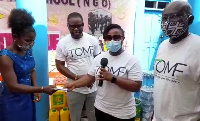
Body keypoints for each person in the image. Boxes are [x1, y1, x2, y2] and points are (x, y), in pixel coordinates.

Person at [64, 24, 142, 121]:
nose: (112, 40)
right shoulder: (99, 58)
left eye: (116, 37)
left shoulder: (132, 60)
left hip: (123, 113)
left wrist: (113, 78)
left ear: (123, 38)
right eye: (108, 38)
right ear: (105, 40)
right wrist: (74, 84)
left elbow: (136, 86)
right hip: (101, 109)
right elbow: (89, 77)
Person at [0, 9, 56, 121]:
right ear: (15, 37)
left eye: (33, 41)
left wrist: (35, 89)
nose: (31, 44)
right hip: (11, 101)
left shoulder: (27, 50)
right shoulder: (5, 57)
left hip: (27, 97)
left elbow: (32, 70)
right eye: (27, 41)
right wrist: (41, 89)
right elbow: (13, 86)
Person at [153, 1, 200, 121]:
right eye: (164, 18)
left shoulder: (197, 47)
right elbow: (161, 84)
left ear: (189, 20)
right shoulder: (163, 45)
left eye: (174, 17)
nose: (168, 22)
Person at [55, 12, 101, 121]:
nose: (76, 29)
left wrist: (91, 78)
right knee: (75, 116)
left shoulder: (92, 40)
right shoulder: (63, 43)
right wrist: (79, 79)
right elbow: (59, 65)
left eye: (79, 26)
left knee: (93, 115)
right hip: (74, 87)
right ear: (68, 26)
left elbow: (98, 61)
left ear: (83, 25)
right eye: (73, 26)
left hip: (93, 87)